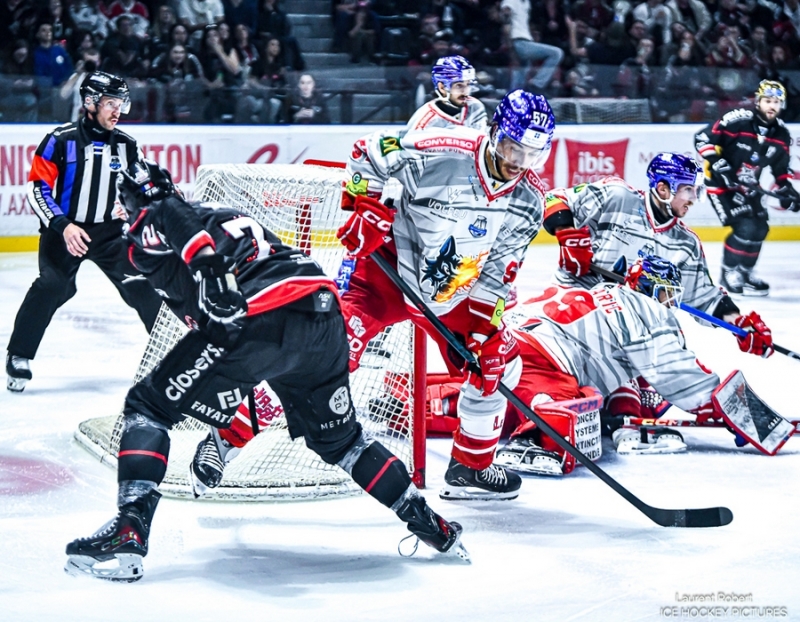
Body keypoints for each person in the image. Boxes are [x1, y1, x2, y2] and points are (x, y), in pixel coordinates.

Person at [63, 159, 468, 582]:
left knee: (148, 407)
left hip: (257, 315)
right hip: (323, 319)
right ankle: (430, 524)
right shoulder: (221, 215)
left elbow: (164, 212)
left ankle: (130, 526)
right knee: (345, 442)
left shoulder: (155, 222)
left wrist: (207, 268)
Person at [337, 90, 555, 501]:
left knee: (500, 361)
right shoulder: (444, 147)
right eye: (513, 148)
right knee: (327, 346)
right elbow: (368, 150)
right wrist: (364, 206)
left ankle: (471, 467)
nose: (519, 162)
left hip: (450, 291)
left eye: (532, 154)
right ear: (494, 132)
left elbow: (497, 273)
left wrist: (483, 332)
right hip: (386, 272)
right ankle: (232, 433)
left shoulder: (529, 200)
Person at [542, 152, 775, 422]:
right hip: (571, 310)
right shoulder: (617, 197)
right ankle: (656, 396)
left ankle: (628, 397)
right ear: (663, 189)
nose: (693, 198)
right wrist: (567, 235)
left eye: (696, 190)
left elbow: (704, 297)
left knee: (655, 326)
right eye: (688, 190)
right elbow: (553, 199)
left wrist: (739, 324)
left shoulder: (685, 244)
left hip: (624, 331)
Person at [495, 255, 724, 475]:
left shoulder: (602, 295)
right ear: (649, 287)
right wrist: (716, 401)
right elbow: (670, 366)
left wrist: (622, 416)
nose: (671, 302)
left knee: (492, 410)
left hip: (500, 347)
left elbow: (625, 372)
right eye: (667, 293)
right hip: (535, 354)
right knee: (566, 414)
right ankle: (529, 440)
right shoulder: (643, 307)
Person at [5, 72, 162, 393]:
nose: (117, 111)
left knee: (143, 286)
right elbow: (38, 189)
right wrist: (63, 226)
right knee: (52, 286)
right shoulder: (59, 140)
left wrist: (143, 202)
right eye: (110, 103)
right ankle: (19, 354)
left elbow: (145, 186)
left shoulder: (127, 145)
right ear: (90, 103)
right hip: (64, 231)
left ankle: (170, 356)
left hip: (111, 234)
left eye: (121, 104)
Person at [694, 80, 799, 296]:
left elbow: (780, 170)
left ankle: (744, 273)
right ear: (758, 101)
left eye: (776, 102)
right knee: (745, 226)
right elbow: (702, 138)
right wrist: (717, 162)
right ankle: (728, 273)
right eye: (768, 100)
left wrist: (787, 192)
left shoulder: (781, 134)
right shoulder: (738, 120)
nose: (772, 106)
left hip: (748, 187)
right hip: (720, 184)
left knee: (760, 228)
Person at [403, 55, 487, 134]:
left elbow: (481, 140)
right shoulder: (423, 122)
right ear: (442, 88)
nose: (466, 92)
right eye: (459, 86)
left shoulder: (475, 106)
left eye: (468, 84)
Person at [501, 0, 564, 93]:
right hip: (518, 42)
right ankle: (537, 84)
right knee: (556, 53)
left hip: (525, 41)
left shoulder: (526, 3)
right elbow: (506, 27)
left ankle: (514, 92)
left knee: (519, 80)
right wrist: (511, 49)